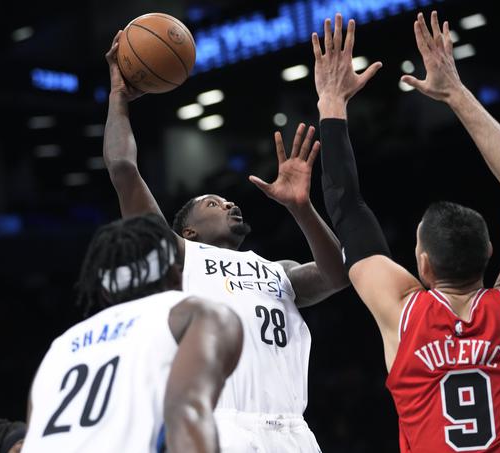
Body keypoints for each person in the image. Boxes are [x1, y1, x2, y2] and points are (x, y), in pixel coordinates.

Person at [315, 11, 500, 452]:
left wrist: (331, 103)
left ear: (422, 263)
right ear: (491, 252)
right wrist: (456, 93)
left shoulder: (403, 315)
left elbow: (347, 208)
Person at [103, 28, 348, 451]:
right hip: (221, 424)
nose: (230, 204)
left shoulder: (279, 272)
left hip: (293, 431)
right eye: (214, 203)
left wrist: (301, 208)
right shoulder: (178, 258)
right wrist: (119, 98)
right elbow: (124, 169)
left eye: (228, 200)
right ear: (189, 230)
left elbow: (339, 274)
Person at [21, 214, 243, 453]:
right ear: (176, 275)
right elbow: (188, 414)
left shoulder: (61, 347)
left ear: (105, 294)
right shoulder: (191, 314)